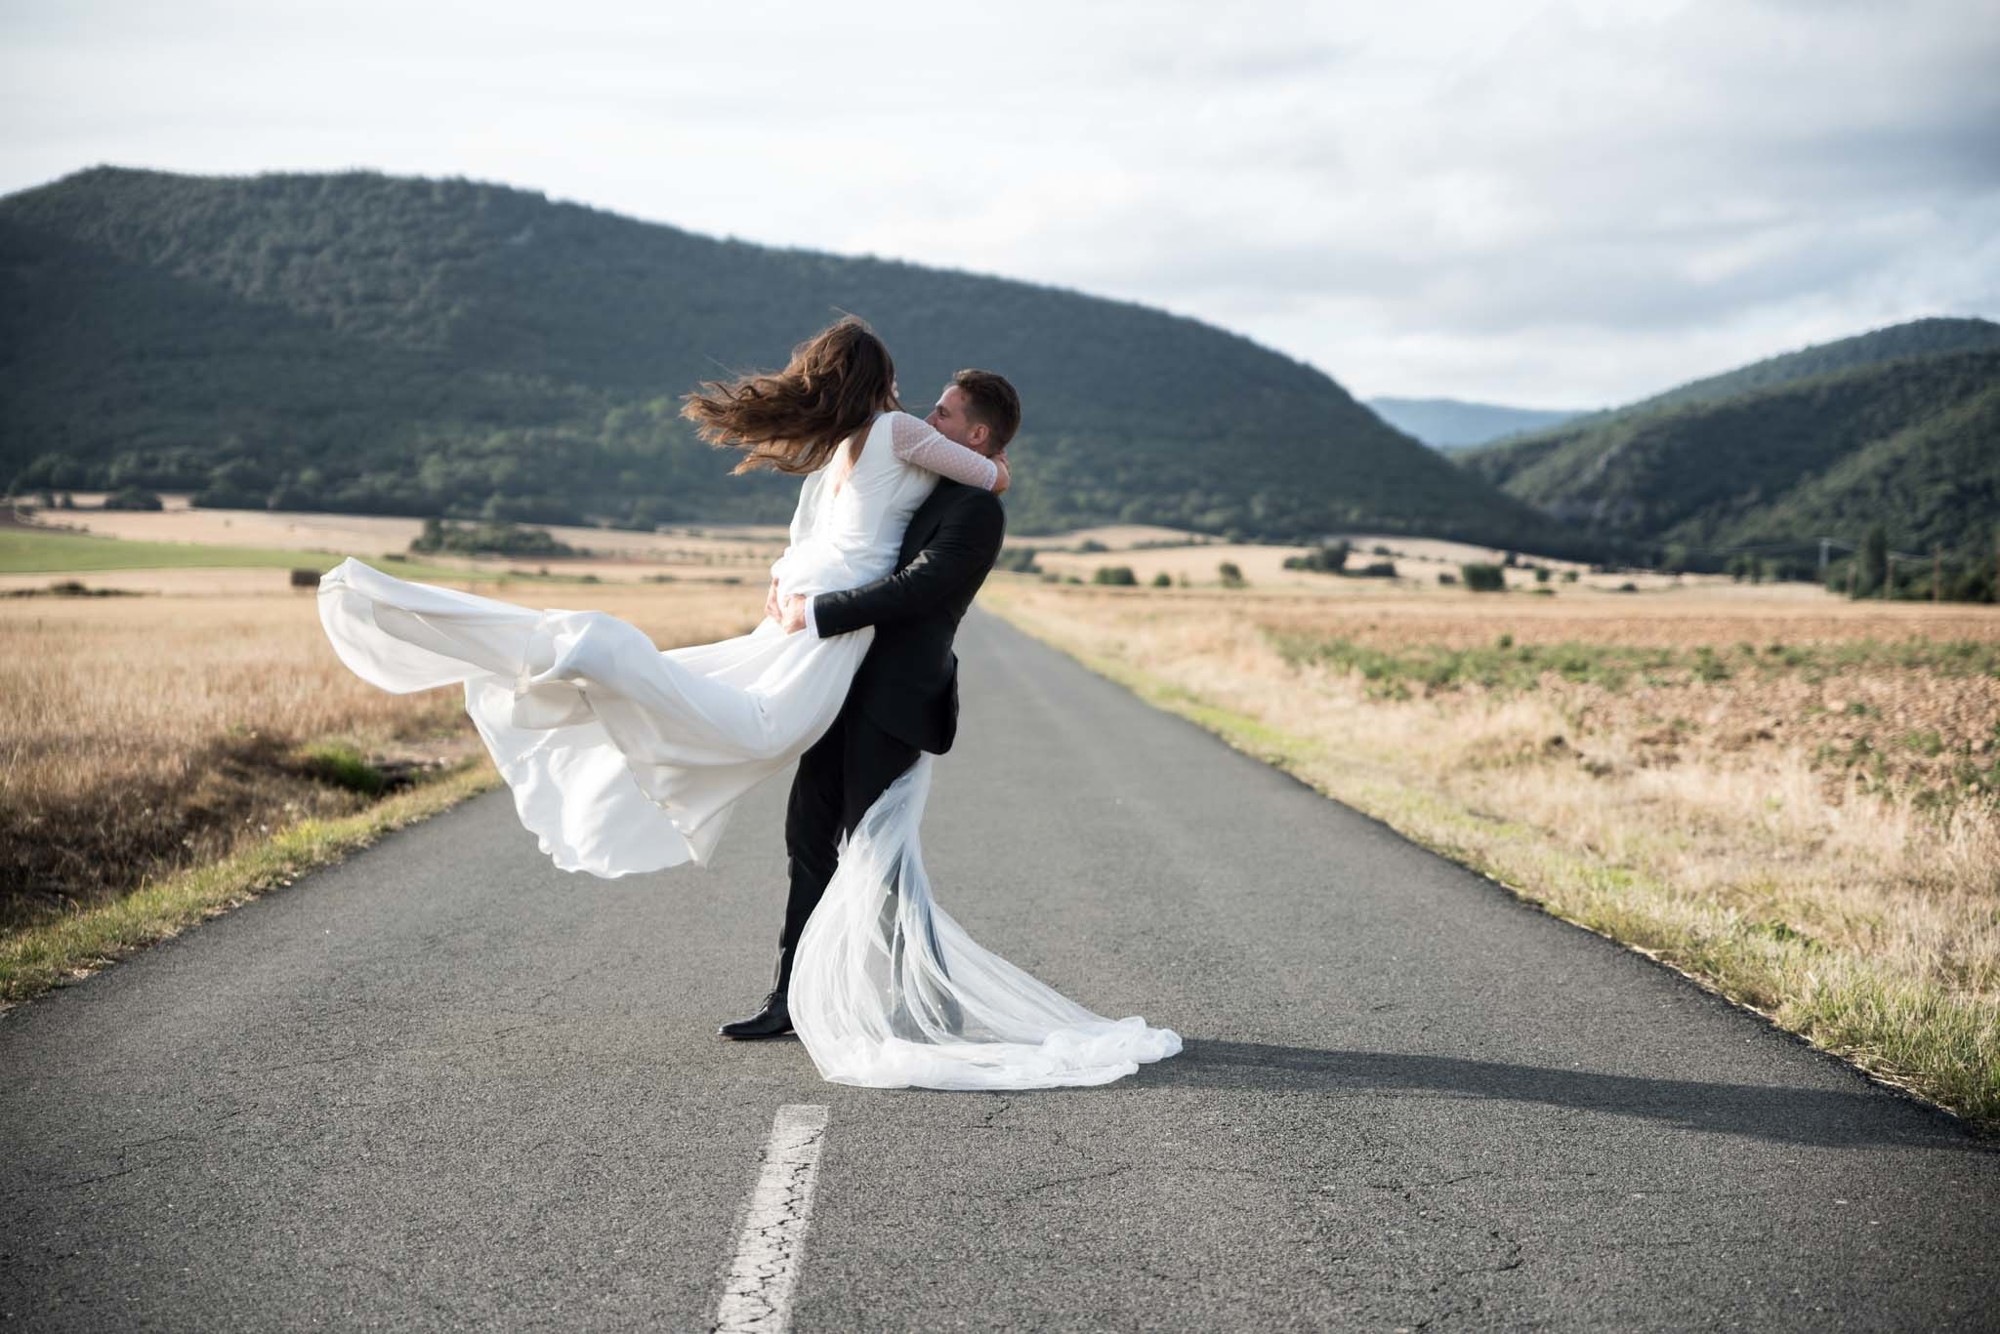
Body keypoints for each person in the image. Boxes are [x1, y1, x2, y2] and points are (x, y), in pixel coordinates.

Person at [317, 316, 1180, 1089]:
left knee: (874, 849)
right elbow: (842, 530)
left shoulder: (953, 493)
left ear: (977, 429)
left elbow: (928, 585)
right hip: (833, 663)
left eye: (950, 414)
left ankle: (923, 999)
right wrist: (798, 591)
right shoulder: (896, 442)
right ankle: (792, 999)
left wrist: (811, 602)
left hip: (885, 688)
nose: (932, 415)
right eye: (933, 409)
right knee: (814, 838)